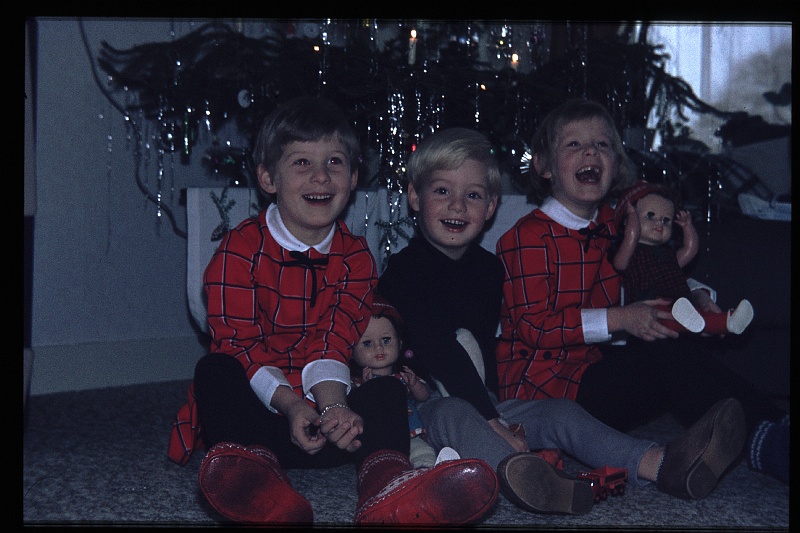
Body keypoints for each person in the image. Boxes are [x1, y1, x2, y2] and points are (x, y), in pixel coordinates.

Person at [377, 126, 748, 515]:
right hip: (422, 407)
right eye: (442, 191)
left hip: (486, 401)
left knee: (561, 411)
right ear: (415, 197)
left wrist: (501, 412)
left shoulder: (488, 270)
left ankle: (660, 464)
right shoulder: (405, 273)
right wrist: (493, 422)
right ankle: (525, 476)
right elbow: (442, 352)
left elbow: (490, 348)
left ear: (490, 208)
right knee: (455, 412)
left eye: (472, 195)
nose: (457, 206)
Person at [166, 96, 500, 526]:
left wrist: (331, 409)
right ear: (268, 177)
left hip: (335, 423)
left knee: (385, 387)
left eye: (335, 163)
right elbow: (240, 344)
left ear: (354, 176)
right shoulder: (238, 250)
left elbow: (337, 338)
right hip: (263, 416)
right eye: (302, 163)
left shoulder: (357, 257)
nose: (321, 176)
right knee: (215, 370)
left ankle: (385, 484)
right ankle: (259, 481)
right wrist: (291, 405)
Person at [495, 98, 789, 486]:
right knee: (662, 357)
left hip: (593, 377)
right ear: (545, 166)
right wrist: (623, 318)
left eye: (602, 145)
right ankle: (769, 443)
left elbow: (653, 268)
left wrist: (695, 297)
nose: (590, 152)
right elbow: (535, 327)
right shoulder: (525, 237)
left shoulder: (615, 227)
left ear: (615, 165)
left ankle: (774, 427)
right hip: (542, 390)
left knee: (671, 344)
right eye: (574, 145)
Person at [612, 179, 754, 336]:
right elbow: (620, 264)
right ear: (627, 221)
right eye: (650, 216)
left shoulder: (668, 256)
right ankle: (721, 322)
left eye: (666, 220)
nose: (660, 223)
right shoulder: (631, 253)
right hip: (649, 305)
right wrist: (632, 220)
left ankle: (728, 321)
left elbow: (690, 249)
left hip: (681, 301)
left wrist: (687, 227)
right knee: (673, 319)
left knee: (700, 318)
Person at [350, 294, 440, 469]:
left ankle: (425, 472)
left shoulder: (402, 376)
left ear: (399, 343)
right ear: (352, 352)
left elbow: (424, 396)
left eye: (386, 340)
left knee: (423, 452)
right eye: (367, 343)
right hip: (376, 439)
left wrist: (414, 385)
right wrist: (366, 390)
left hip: (408, 433)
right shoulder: (357, 382)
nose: (379, 348)